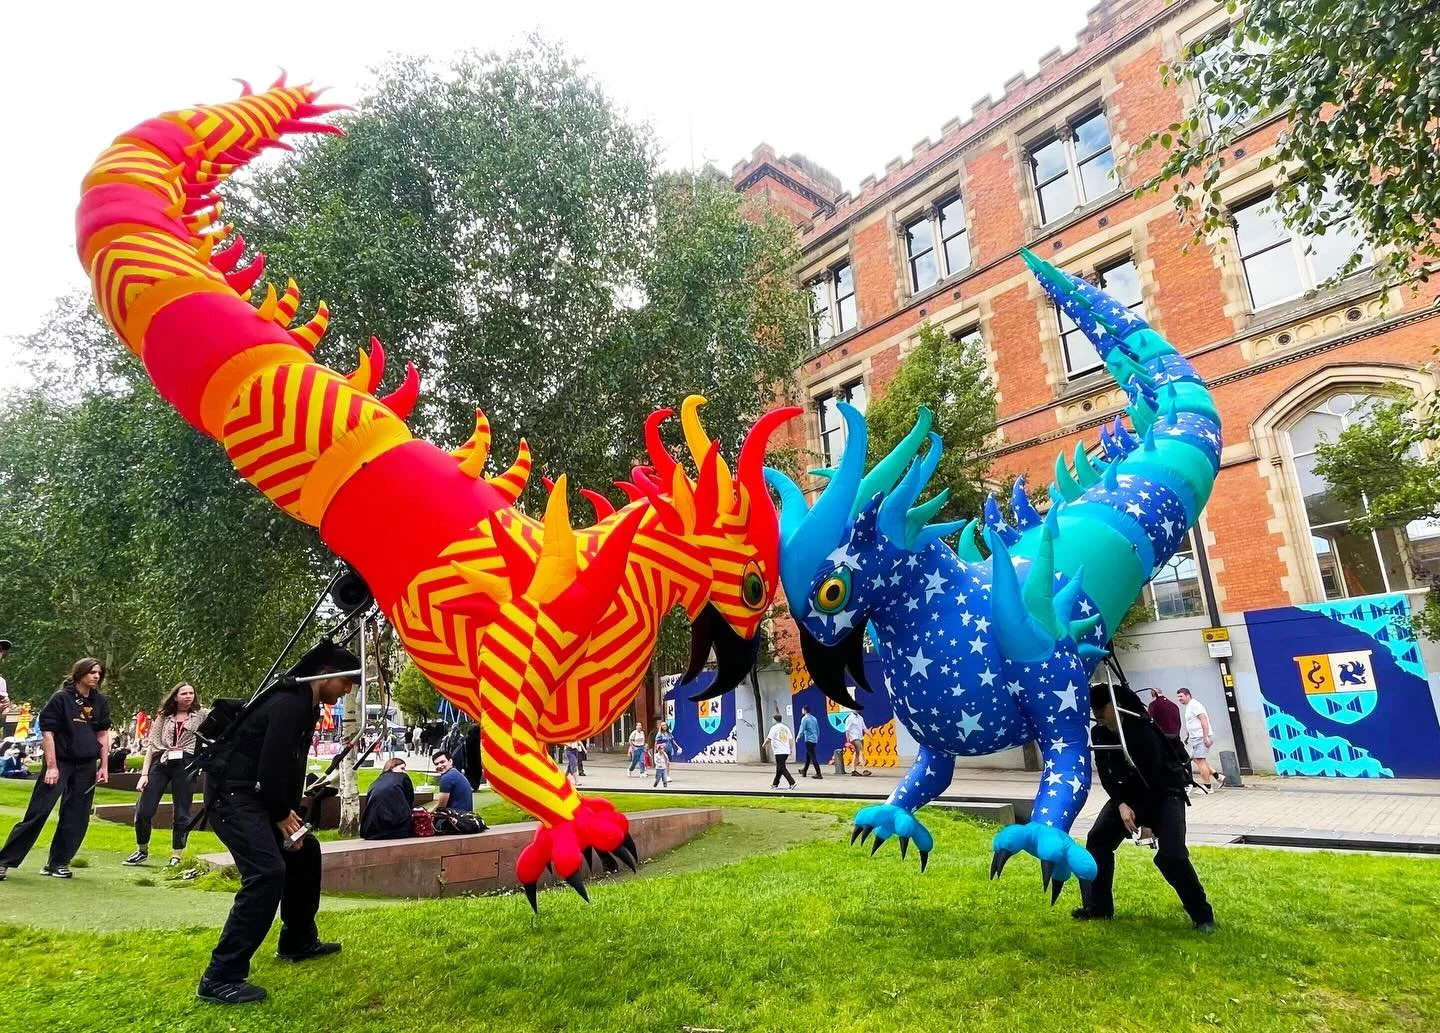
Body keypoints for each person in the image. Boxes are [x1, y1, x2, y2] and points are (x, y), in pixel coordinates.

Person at [197, 642, 357, 1005]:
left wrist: (289, 814)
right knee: (267, 873)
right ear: (326, 674)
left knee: (305, 850)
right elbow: (271, 766)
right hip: (233, 798)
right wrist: (281, 813)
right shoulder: (289, 703)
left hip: (253, 797)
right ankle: (220, 976)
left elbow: (286, 766)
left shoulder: (304, 703)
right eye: (346, 682)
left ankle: (297, 940)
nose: (348, 690)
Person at [1074, 682, 1216, 932]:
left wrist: (1148, 823)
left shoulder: (1142, 731)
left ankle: (1202, 916)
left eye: (1101, 706)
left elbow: (1158, 780)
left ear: (1117, 705)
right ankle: (1098, 908)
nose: (1097, 713)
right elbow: (1106, 774)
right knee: (1098, 841)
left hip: (1165, 794)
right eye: (1093, 707)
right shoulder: (1100, 733)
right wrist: (1120, 804)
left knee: (1171, 856)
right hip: (1129, 797)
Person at [0, 658, 112, 881]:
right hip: (60, 761)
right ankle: (5, 861)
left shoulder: (100, 702)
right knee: (39, 812)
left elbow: (102, 734)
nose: (96, 676)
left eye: (99, 673)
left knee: (77, 816)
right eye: (92, 672)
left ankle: (58, 862)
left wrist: (104, 766)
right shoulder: (61, 699)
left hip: (87, 764)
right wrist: (51, 766)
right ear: (80, 674)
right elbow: (48, 733)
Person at [125, 681, 208, 868]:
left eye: (191, 693)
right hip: (162, 762)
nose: (188, 696)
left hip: (186, 764)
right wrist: (144, 774)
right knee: (144, 810)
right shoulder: (164, 716)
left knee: (182, 812)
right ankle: (142, 850)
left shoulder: (202, 714)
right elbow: (152, 746)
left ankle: (176, 855)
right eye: (184, 693)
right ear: (175, 696)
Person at [1177, 687, 1223, 791]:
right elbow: (1192, 723)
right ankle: (1217, 776)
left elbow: (1204, 720)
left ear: (1188, 695)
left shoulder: (1195, 705)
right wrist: (1188, 735)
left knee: (1200, 761)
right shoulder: (1189, 706)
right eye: (1178, 697)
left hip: (1201, 737)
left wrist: (1205, 736)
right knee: (1195, 758)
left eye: (1181, 696)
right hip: (1195, 737)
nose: (1179, 699)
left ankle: (1208, 787)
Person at [360, 758, 415, 840]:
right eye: (402, 768)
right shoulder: (403, 777)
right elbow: (410, 799)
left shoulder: (375, 782)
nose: (404, 772)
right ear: (392, 767)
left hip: (371, 829)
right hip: (398, 828)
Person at [766, 713, 795, 789]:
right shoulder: (786, 728)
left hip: (779, 751)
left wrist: (764, 744)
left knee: (781, 768)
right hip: (785, 750)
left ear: (775, 719)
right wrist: (791, 749)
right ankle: (775, 784)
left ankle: (792, 782)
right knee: (779, 768)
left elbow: (769, 738)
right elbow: (791, 739)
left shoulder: (774, 728)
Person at [795, 705, 822, 779]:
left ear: (804, 710)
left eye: (802, 710)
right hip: (814, 739)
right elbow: (817, 729)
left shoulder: (804, 719)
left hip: (809, 739)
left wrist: (798, 737)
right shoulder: (814, 718)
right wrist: (817, 737)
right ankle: (804, 771)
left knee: (812, 756)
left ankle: (818, 773)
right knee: (808, 755)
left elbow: (802, 729)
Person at [844, 709, 869, 775]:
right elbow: (847, 730)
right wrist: (848, 741)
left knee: (857, 754)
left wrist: (871, 735)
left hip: (860, 737)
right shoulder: (849, 718)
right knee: (861, 751)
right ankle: (864, 769)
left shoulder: (860, 718)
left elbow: (864, 728)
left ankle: (853, 770)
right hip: (854, 738)